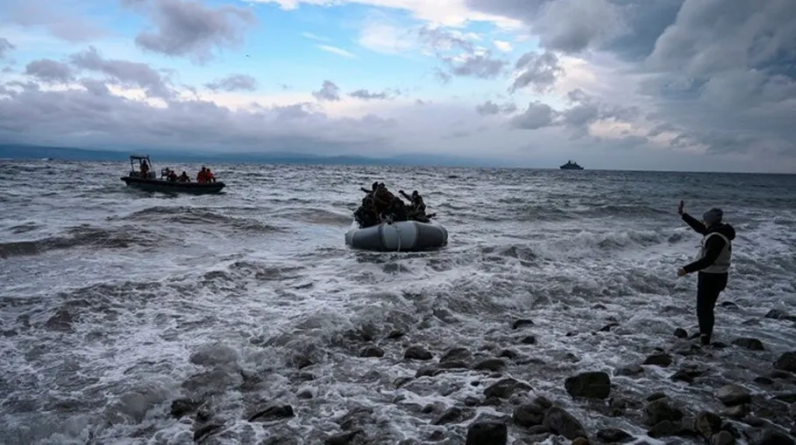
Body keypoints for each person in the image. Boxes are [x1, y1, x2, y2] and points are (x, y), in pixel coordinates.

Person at [676, 200, 736, 346]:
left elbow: (708, 260)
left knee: (704, 308)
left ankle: (705, 339)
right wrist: (683, 215)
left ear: (710, 221)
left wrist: (686, 269)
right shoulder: (718, 231)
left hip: (711, 276)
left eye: (705, 219)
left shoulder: (715, 238)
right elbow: (700, 228)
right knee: (706, 307)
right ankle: (705, 333)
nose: (703, 222)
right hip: (718, 275)